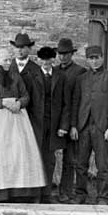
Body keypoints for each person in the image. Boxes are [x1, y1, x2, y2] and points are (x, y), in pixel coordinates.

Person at [0, 48, 46, 202]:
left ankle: (20, 193)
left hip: (17, 121)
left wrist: (19, 103)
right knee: (0, 154)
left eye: (9, 60)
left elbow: (26, 96)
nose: (8, 63)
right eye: (4, 60)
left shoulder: (16, 77)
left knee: (18, 153)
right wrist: (2, 102)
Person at [69, 45, 108, 205]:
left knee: (103, 165)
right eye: (91, 58)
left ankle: (102, 197)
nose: (94, 61)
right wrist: (73, 125)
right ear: (87, 60)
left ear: (102, 58)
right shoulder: (81, 79)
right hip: (83, 127)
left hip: (102, 128)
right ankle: (80, 195)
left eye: (97, 57)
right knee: (80, 164)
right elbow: (75, 103)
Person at [54, 38, 87, 202]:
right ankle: (47, 190)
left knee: (70, 158)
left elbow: (77, 100)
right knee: (50, 157)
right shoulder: (53, 71)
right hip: (55, 121)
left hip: (72, 119)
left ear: (71, 54)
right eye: (60, 54)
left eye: (66, 54)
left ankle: (65, 191)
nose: (62, 57)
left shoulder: (79, 72)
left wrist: (73, 124)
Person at [36, 46, 69, 203]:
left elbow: (65, 103)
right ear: (39, 60)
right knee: (36, 157)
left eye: (49, 59)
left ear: (53, 60)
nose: (46, 62)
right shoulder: (33, 76)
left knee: (50, 159)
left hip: (54, 124)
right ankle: (36, 193)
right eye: (43, 59)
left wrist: (63, 126)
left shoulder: (60, 77)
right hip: (37, 124)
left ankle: (47, 194)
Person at [9, 33, 44, 149]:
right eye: (17, 47)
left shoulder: (36, 70)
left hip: (30, 116)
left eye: (23, 47)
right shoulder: (7, 67)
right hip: (10, 116)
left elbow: (39, 98)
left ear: (29, 49)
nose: (20, 50)